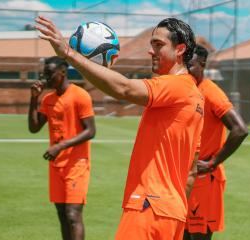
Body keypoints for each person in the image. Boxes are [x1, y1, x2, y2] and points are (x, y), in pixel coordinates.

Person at [35, 16, 203, 240]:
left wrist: (68, 53)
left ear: (180, 49)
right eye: (151, 45)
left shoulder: (176, 85)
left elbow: (124, 88)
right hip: (173, 212)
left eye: (158, 45)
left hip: (149, 205)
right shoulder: (196, 96)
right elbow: (192, 171)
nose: (151, 51)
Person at [184, 45, 248, 240]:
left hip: (205, 180)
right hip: (186, 177)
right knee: (181, 234)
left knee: (199, 236)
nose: (186, 69)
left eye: (190, 65)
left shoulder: (211, 92)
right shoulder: (187, 90)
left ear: (202, 64)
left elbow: (240, 129)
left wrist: (213, 162)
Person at [28, 56, 96, 240]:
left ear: (63, 72)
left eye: (49, 74)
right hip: (56, 165)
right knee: (62, 216)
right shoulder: (48, 99)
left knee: (73, 215)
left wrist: (61, 146)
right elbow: (34, 128)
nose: (45, 78)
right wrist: (34, 99)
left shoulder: (80, 96)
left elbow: (91, 131)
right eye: (44, 74)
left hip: (76, 165)